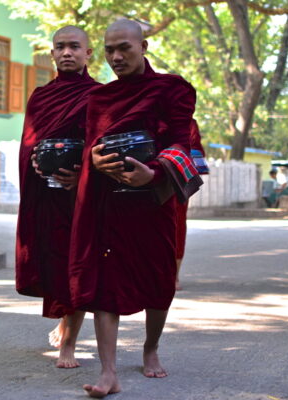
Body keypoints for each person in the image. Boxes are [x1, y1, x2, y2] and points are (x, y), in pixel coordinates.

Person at [67, 19, 198, 397]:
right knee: (104, 283)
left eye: (124, 47)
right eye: (109, 50)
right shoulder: (99, 98)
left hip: (152, 201)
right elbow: (90, 145)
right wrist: (92, 158)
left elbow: (180, 143)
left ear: (143, 47)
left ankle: (150, 348)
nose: (116, 56)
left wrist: (153, 173)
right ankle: (108, 372)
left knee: (158, 282)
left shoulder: (172, 89)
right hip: (108, 203)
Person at [15, 25, 101, 369]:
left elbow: (102, 144)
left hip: (82, 197)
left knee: (77, 265)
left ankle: (70, 342)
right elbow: (28, 144)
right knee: (53, 261)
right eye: (60, 47)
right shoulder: (40, 96)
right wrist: (36, 167)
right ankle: (63, 317)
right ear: (51, 53)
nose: (67, 53)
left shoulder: (100, 95)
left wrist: (81, 173)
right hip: (47, 196)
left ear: (88, 53)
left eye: (75, 47)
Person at [175, 119, 207, 290]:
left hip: (177, 181)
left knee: (177, 227)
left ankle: (174, 277)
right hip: (146, 178)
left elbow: (196, 150)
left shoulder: (188, 123)